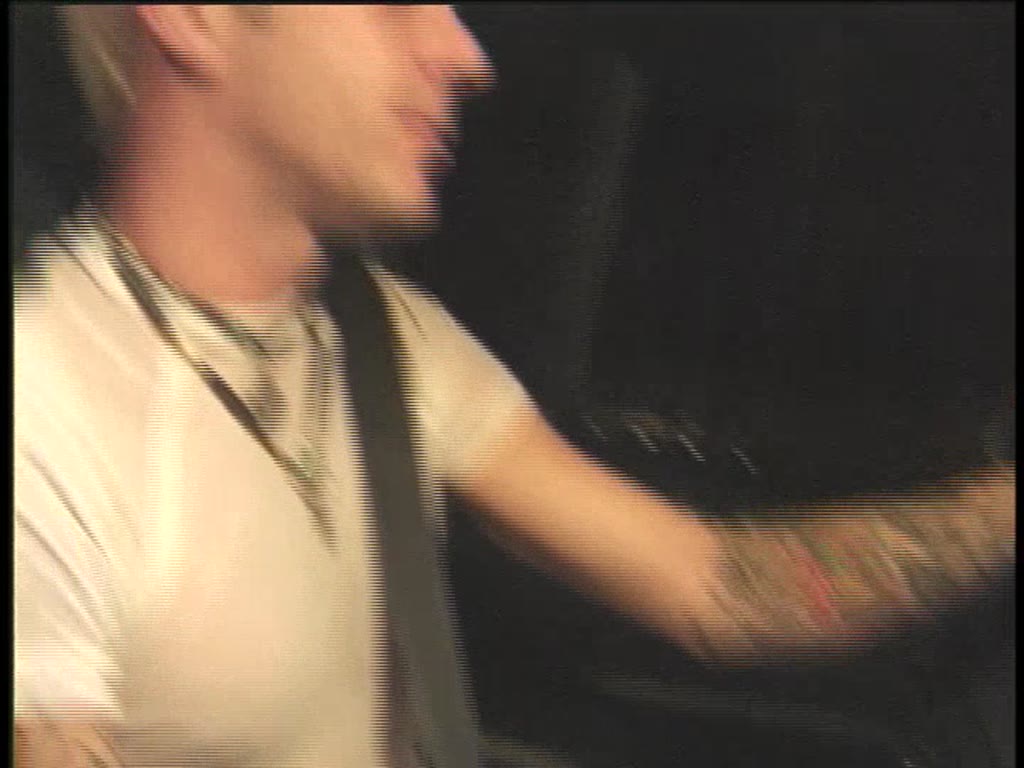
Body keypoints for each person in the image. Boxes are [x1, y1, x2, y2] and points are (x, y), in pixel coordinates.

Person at [13, 6, 1015, 768]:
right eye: (395, 5)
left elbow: (712, 586)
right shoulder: (45, 400)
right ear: (192, 17)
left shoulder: (381, 339)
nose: (465, 53)